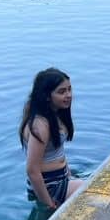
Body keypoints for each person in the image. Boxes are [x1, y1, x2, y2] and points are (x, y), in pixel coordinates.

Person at [20, 67, 84, 212]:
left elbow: (58, 151)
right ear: (47, 96)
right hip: (49, 186)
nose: (68, 95)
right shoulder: (40, 125)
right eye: (61, 92)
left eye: (69, 89)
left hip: (61, 178)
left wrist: (68, 174)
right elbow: (32, 170)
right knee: (90, 191)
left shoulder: (56, 113)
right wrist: (48, 204)